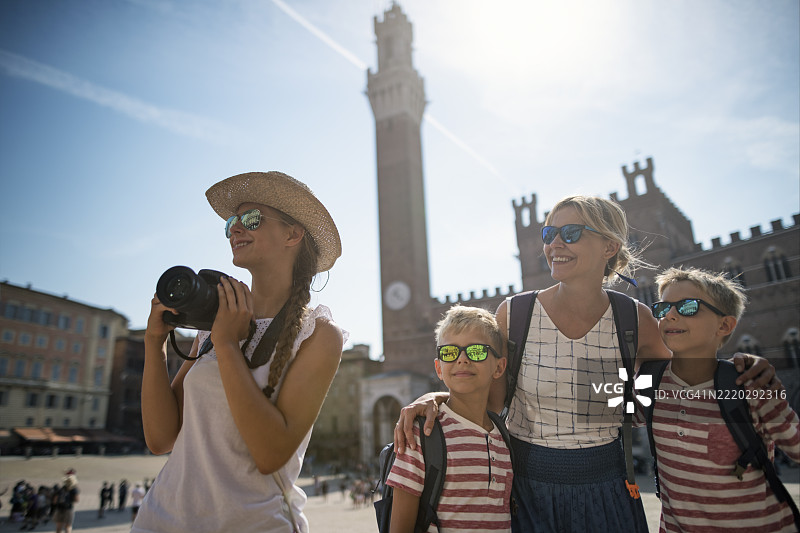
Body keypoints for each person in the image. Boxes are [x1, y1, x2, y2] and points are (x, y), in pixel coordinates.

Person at [395, 195, 779, 532]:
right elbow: (488, 400)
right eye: (549, 234)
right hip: (528, 490)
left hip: (609, 486)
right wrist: (437, 398)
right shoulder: (517, 313)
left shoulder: (636, 319)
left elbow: (674, 393)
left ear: (609, 245)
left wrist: (741, 371)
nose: (555, 244)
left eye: (571, 233)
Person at [132, 171, 346, 533]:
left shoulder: (319, 335)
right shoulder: (214, 324)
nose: (235, 229)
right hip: (160, 520)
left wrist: (228, 344)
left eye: (251, 219)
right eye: (232, 222)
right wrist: (154, 345)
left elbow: (270, 454)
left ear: (293, 235)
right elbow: (160, 438)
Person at [641, 267, 800, 532]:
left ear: (724, 325)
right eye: (661, 309)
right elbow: (602, 413)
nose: (669, 315)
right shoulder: (650, 386)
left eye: (687, 307)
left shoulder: (751, 385)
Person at [387, 305, 513, 532]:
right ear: (438, 367)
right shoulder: (420, 434)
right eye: (449, 352)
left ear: (499, 366)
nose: (462, 359)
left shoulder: (505, 437)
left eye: (476, 351)